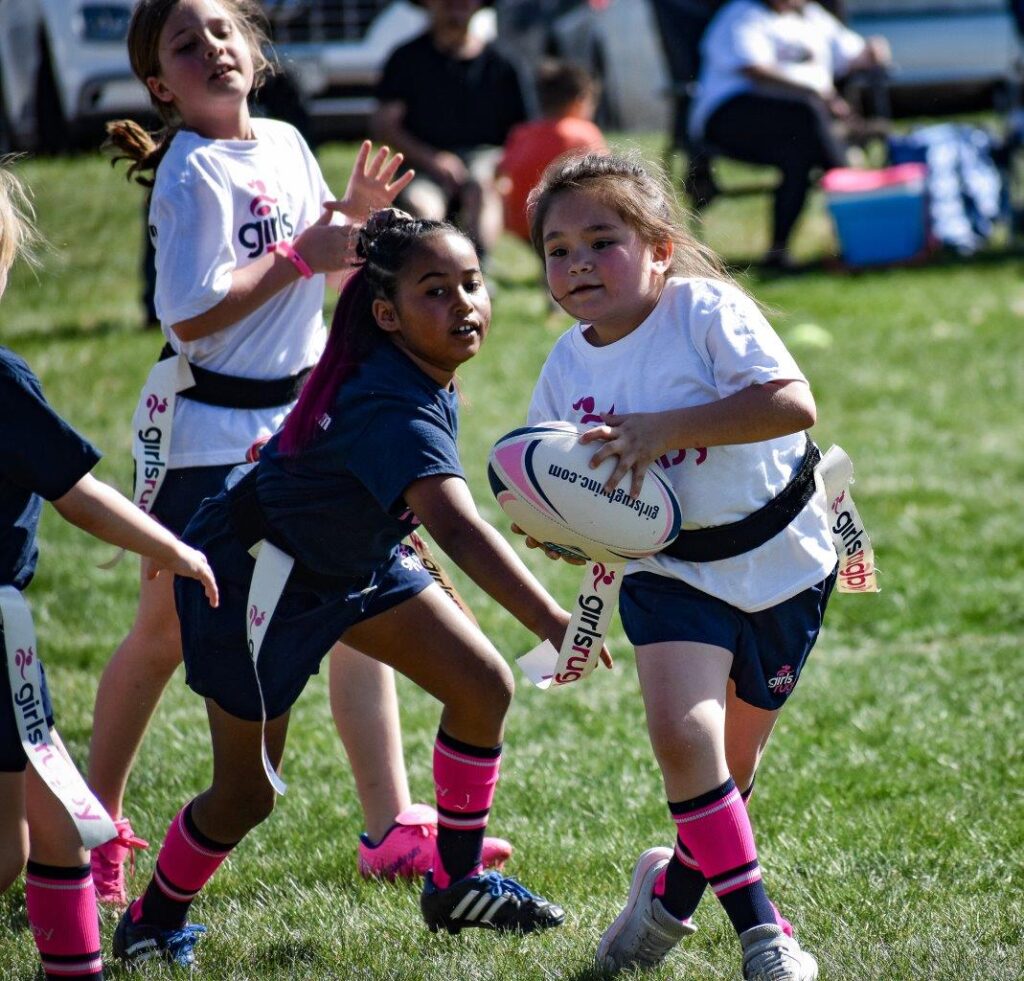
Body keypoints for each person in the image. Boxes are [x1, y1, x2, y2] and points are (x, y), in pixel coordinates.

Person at [91, 0, 508, 907]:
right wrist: (298, 253)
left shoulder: (281, 139)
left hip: (302, 423)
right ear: (160, 84)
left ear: (255, 47)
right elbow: (191, 316)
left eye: (223, 30)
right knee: (163, 632)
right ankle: (97, 830)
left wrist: (351, 220)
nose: (211, 47)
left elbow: (317, 255)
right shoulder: (190, 171)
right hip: (206, 431)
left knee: (353, 602)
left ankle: (391, 823)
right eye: (184, 41)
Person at [113, 209, 577, 967]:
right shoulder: (393, 405)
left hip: (347, 566)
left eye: (472, 282)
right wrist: (554, 620)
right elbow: (459, 530)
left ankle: (457, 884)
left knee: (482, 685)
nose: (464, 302)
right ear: (388, 314)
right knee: (246, 796)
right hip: (254, 582)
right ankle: (152, 921)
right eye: (437, 290)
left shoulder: (407, 366)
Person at [524, 151, 840, 980]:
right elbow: (550, 479)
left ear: (660, 246)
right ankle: (764, 934)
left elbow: (792, 403)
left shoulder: (703, 309)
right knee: (683, 735)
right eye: (558, 249)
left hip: (786, 557)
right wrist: (556, 527)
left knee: (729, 770)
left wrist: (661, 427)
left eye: (603, 239)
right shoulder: (565, 364)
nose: (579, 262)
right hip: (670, 573)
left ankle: (669, 897)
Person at [0, 161, 219, 981]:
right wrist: (172, 546)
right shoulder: (3, 379)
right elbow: (80, 495)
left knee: (21, 839)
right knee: (50, 828)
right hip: (0, 629)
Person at [688, 0, 890, 267]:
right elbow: (754, 69)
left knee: (799, 155)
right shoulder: (742, 15)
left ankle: (779, 252)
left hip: (801, 124)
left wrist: (874, 49)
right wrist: (815, 92)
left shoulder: (812, 18)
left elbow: (855, 54)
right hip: (731, 117)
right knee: (806, 113)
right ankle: (854, 188)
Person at [371, 0, 528, 262]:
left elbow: (522, 133)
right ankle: (435, 268)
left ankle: (479, 268)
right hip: (423, 165)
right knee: (422, 205)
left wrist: (500, 168)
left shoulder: (504, 63)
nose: (456, 3)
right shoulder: (405, 59)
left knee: (481, 187)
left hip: (485, 162)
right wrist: (432, 159)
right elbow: (385, 124)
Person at [497, 59, 607, 245]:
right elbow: (608, 179)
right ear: (580, 100)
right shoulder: (583, 133)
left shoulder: (522, 132)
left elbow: (501, 172)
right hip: (566, 221)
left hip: (520, 222)